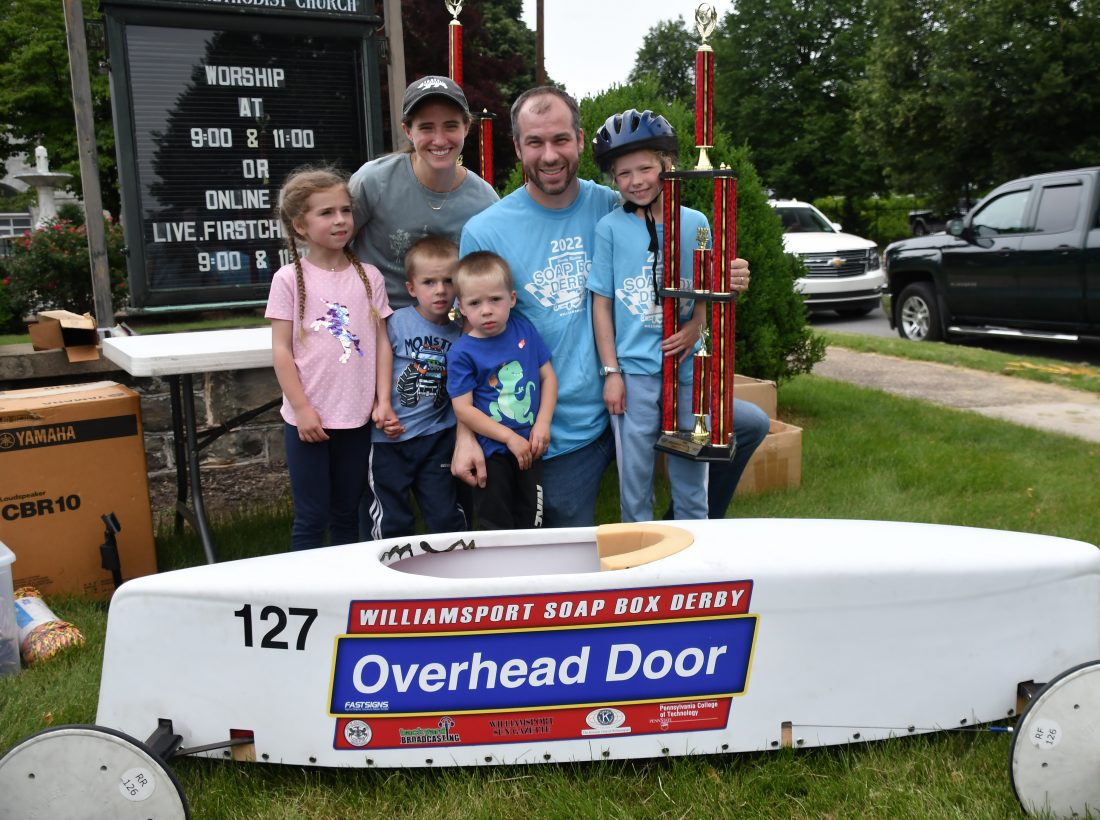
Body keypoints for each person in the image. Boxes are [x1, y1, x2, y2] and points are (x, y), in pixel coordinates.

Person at [459, 87, 765, 526]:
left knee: (748, 424)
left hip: (646, 379)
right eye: (535, 142)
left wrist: (725, 273)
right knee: (566, 534)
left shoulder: (614, 204)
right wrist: (466, 434)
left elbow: (682, 246)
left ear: (580, 140)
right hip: (566, 424)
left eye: (560, 139)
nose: (550, 155)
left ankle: (686, 524)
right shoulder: (486, 231)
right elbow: (470, 342)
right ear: (518, 147)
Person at [588, 109, 709, 522]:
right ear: (613, 179)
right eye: (624, 173)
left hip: (688, 368)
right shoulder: (609, 228)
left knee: (692, 465)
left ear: (667, 165)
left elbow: (706, 290)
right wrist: (611, 372)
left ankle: (696, 541)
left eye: (645, 169)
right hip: (635, 372)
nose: (636, 181)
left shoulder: (696, 223)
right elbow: (602, 304)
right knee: (634, 474)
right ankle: (638, 541)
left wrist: (695, 326)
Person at [266, 167, 392, 550]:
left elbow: (382, 343)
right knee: (311, 517)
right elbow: (281, 349)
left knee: (347, 512)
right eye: (326, 213)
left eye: (345, 210)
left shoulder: (370, 276)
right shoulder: (287, 279)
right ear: (300, 226)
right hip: (309, 421)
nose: (340, 220)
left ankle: (344, 584)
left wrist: (383, 400)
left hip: (356, 418)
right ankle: (304, 585)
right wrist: (302, 409)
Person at [349, 75, 499, 310]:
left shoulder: (484, 201)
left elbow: (491, 275)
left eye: (450, 126)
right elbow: (331, 246)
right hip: (373, 319)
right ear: (408, 130)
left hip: (448, 326)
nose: (439, 140)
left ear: (466, 127)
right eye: (426, 127)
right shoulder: (373, 181)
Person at [447, 251, 558, 530]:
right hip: (492, 452)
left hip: (530, 446)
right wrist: (509, 438)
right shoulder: (462, 352)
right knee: (496, 525)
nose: (486, 310)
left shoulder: (524, 331)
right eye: (475, 303)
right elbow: (463, 409)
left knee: (533, 520)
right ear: (461, 307)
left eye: (495, 299)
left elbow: (548, 377)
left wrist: (543, 423)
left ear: (512, 298)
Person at [366, 235, 467, 539]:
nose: (440, 290)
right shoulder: (397, 323)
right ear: (411, 288)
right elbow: (371, 368)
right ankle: (392, 567)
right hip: (389, 440)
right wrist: (379, 406)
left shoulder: (461, 335)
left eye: (448, 281)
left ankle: (455, 563)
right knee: (392, 519)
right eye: (429, 282)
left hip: (436, 438)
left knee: (445, 514)